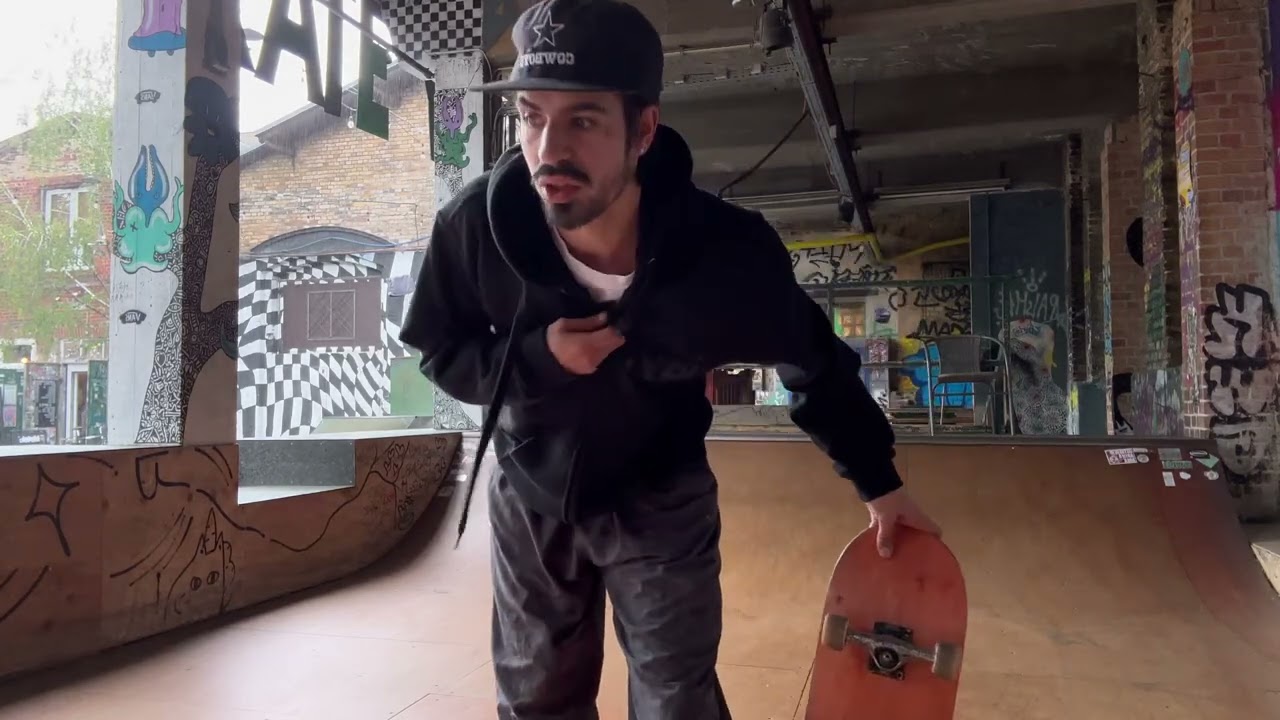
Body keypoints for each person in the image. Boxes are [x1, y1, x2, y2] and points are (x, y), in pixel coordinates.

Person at [398, 1, 940, 717]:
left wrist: (879, 481)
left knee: (674, 698)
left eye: (583, 120)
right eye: (532, 117)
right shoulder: (475, 228)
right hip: (531, 490)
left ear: (643, 130)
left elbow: (813, 359)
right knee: (536, 700)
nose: (549, 150)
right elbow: (441, 349)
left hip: (661, 494)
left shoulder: (725, 256)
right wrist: (538, 360)